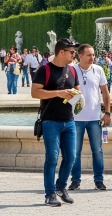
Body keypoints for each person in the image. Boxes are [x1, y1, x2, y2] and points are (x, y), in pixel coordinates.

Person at [31, 38, 80, 207]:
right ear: (61, 52)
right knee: (52, 158)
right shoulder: (45, 70)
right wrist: (58, 93)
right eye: (72, 52)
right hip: (51, 121)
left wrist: (77, 96)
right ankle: (49, 194)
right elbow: (35, 93)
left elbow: (78, 91)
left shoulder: (73, 71)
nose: (74, 55)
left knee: (71, 157)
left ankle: (61, 187)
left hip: (69, 121)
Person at [69, 44, 111, 191]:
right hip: (75, 118)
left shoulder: (98, 70)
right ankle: (75, 181)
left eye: (93, 54)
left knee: (97, 150)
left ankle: (99, 180)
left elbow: (105, 93)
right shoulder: (71, 70)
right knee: (75, 151)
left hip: (95, 117)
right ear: (80, 56)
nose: (92, 57)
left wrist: (107, 113)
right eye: (88, 55)